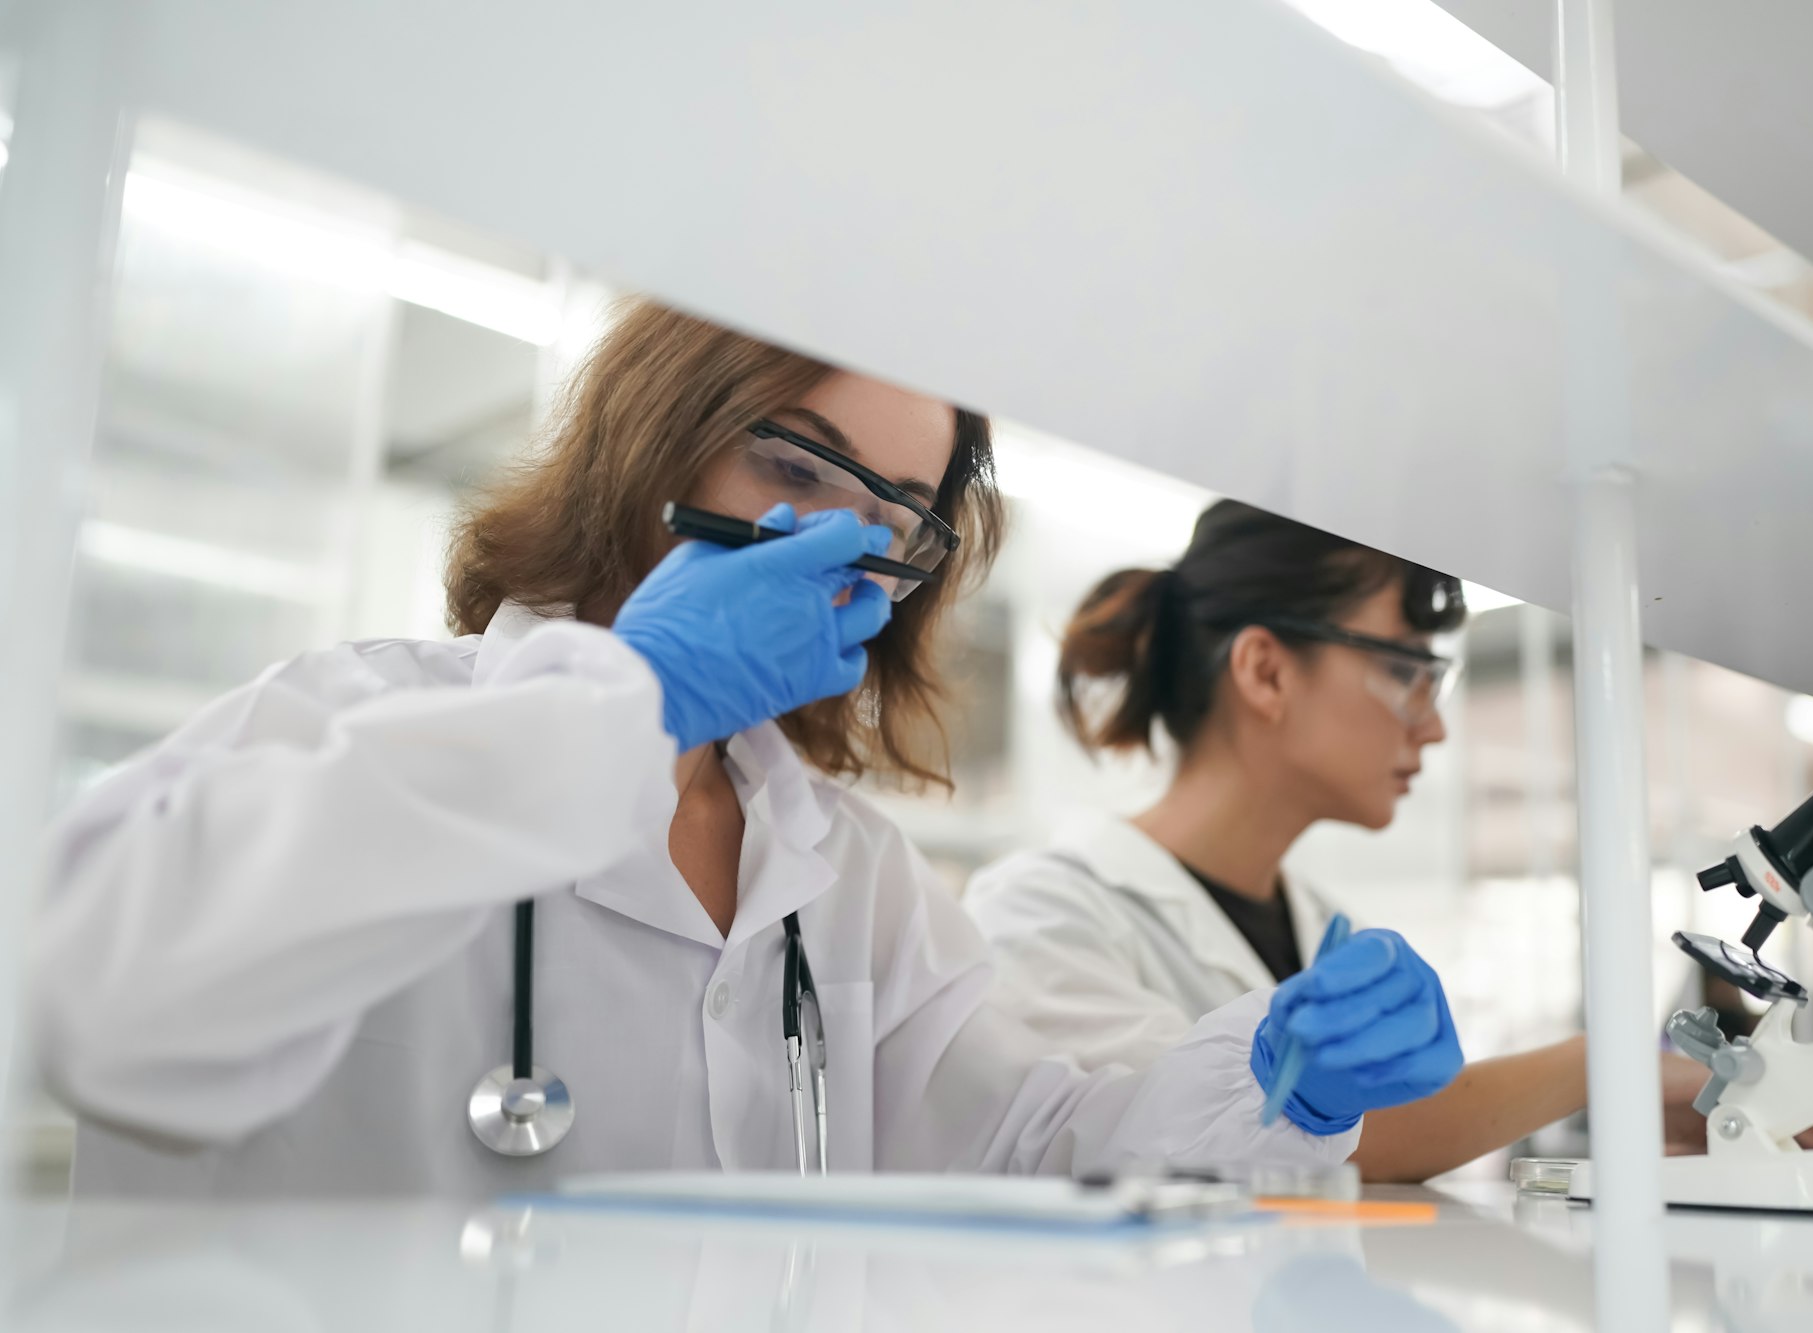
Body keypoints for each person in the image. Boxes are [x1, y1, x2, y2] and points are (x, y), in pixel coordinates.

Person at [30, 304, 1462, 1197]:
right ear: (657, 444)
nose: (845, 541)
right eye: (793, 468)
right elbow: (104, 999)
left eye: (900, 517)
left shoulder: (849, 879)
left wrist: (1279, 1083)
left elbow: (1034, 1150)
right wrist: (627, 698)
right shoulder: (354, 713)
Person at [965, 499, 1813, 1182]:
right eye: (1406, 673)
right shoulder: (1049, 912)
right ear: (1266, 670)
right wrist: (1611, 1065)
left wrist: (1658, 1129)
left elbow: (1388, 1142)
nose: (1432, 730)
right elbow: (1234, 1142)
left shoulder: (1325, 921)